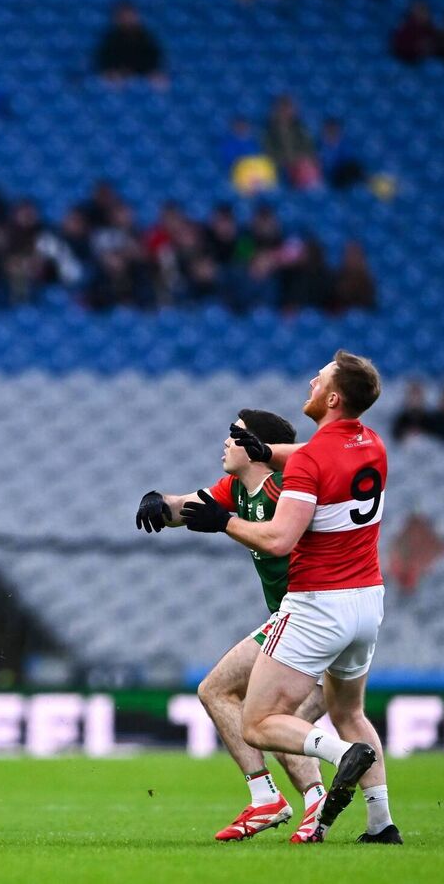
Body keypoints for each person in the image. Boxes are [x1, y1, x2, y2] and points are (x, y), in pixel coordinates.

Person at [180, 351, 402, 844]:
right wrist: (266, 450)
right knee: (350, 712)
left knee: (258, 722)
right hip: (368, 600)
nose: (310, 381)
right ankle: (381, 824)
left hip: (319, 603)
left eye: (318, 378)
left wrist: (226, 523)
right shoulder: (372, 444)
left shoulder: (310, 463)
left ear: (332, 397)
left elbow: (279, 539)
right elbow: (314, 455)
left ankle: (333, 759)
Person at [136, 410, 328, 843]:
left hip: (311, 616)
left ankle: (273, 800)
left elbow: (281, 537)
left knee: (222, 693)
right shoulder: (236, 489)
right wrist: (157, 501)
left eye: (234, 435)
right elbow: (186, 507)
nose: (225, 442)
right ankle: (320, 806)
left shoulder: (286, 491)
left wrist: (224, 523)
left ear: (258, 447)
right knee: (271, 718)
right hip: (299, 622)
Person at [93, 1, 165, 83]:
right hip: (119, 73)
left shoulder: (145, 37)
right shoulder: (112, 38)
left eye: (130, 16)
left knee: (159, 79)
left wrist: (149, 71)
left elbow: (153, 57)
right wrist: (116, 71)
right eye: (124, 17)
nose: (128, 19)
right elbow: (106, 59)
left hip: (143, 72)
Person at [264, 95, 321, 189]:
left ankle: (311, 193)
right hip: (279, 163)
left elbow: (309, 148)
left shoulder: (300, 128)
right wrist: (286, 159)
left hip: (298, 164)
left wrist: (297, 159)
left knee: (307, 165)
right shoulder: (268, 130)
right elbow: (267, 150)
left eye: (288, 109)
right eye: (282, 109)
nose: (285, 112)